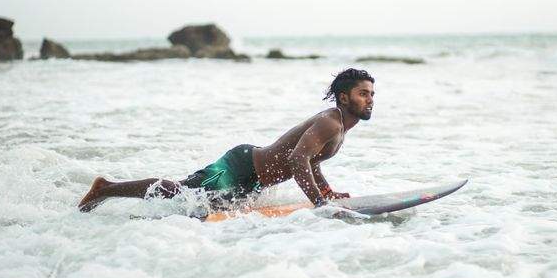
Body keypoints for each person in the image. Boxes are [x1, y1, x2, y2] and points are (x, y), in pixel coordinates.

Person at [78, 68, 375, 212]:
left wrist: (327, 192)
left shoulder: (340, 127)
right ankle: (106, 188)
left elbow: (310, 160)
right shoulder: (329, 122)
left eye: (372, 94)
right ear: (344, 97)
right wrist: (319, 203)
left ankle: (138, 221)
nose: (370, 99)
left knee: (198, 211)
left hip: (253, 179)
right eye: (364, 94)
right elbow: (298, 160)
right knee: (179, 193)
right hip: (240, 166)